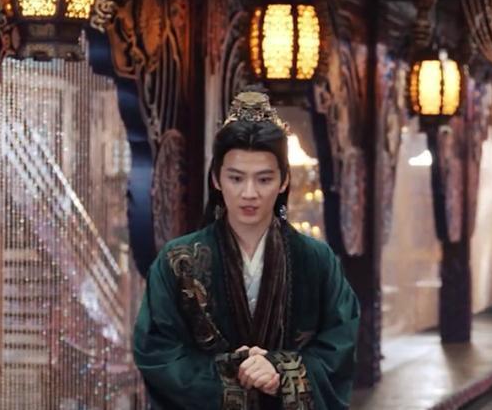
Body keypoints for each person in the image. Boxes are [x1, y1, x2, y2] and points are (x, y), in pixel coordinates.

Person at [133, 89, 360, 409]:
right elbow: (157, 351)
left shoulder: (316, 260)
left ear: (283, 181)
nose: (249, 193)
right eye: (236, 178)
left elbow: (340, 344)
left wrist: (281, 370)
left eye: (264, 179)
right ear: (216, 179)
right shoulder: (177, 261)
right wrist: (233, 374)